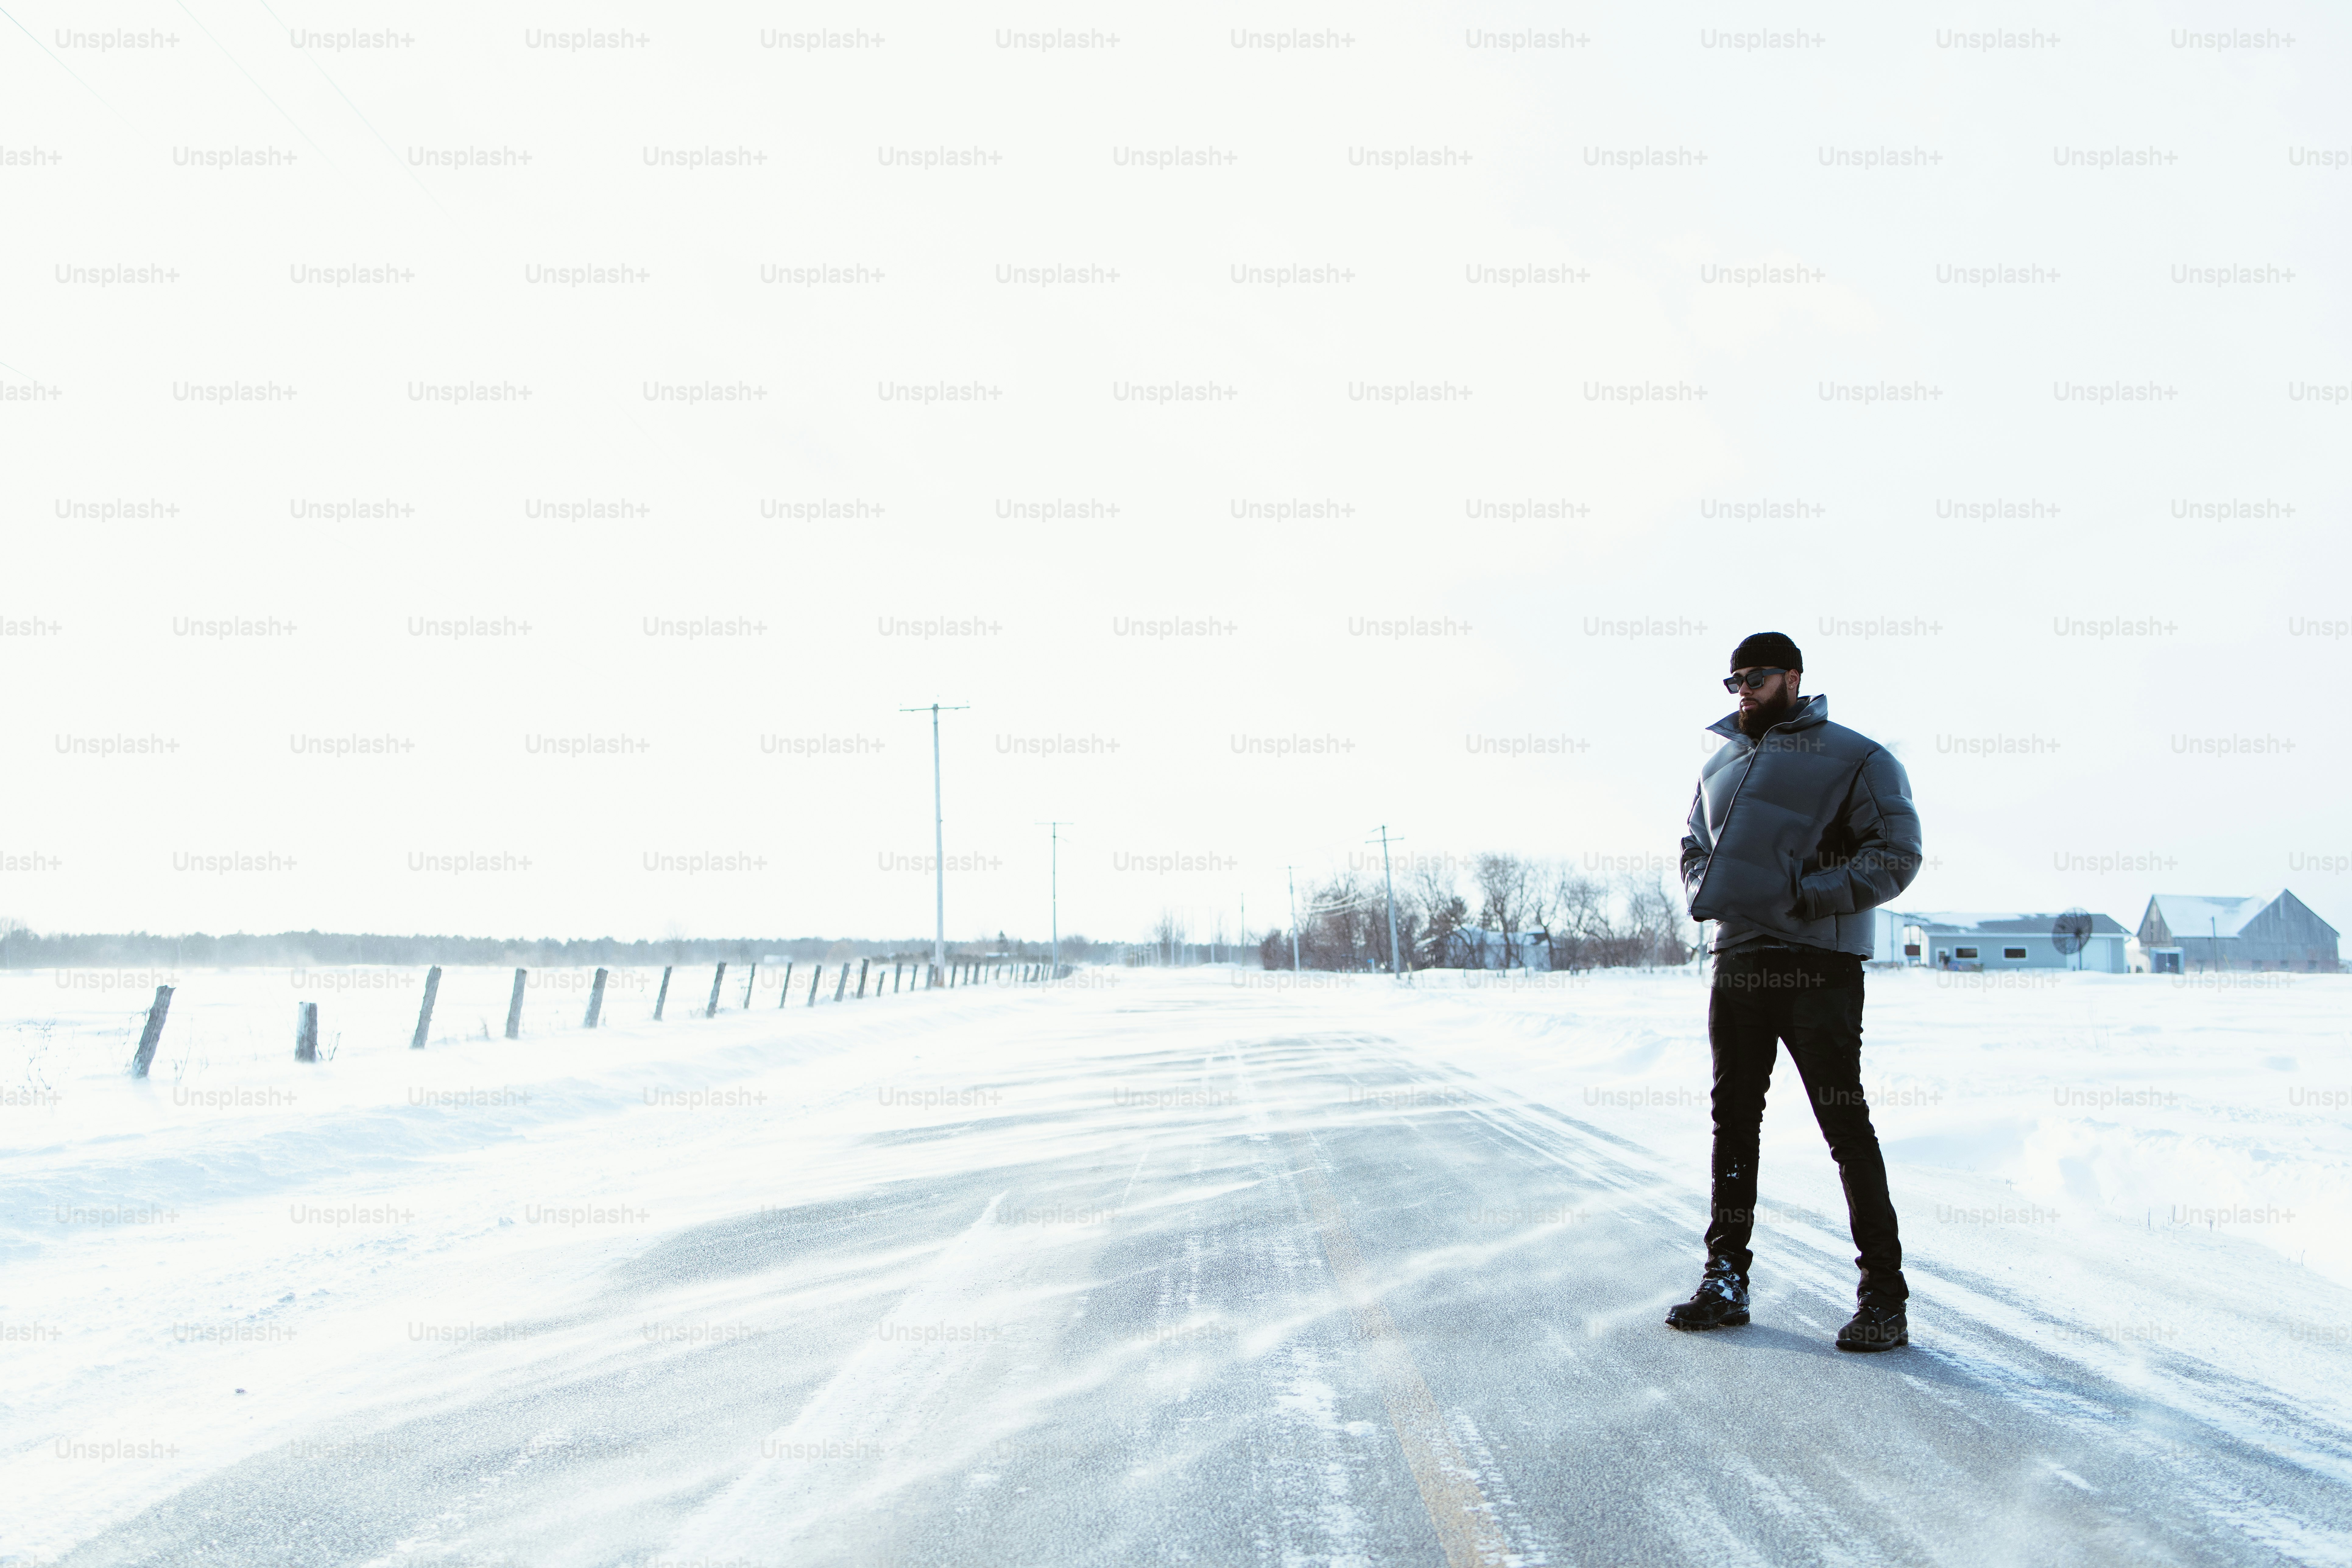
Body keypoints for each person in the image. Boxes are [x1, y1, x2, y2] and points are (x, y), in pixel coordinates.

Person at [1669, 632, 1923, 1351]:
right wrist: (1704, 891)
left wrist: (1806, 896)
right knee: (1734, 1124)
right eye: (1732, 682)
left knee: (1846, 1129)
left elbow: (1897, 854)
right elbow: (1691, 847)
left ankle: (1883, 1296)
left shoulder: (1859, 757)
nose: (1741, 690)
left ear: (1793, 676)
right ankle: (1725, 1278)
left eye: (1754, 678)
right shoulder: (1720, 764)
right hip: (1739, 961)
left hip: (1820, 963)